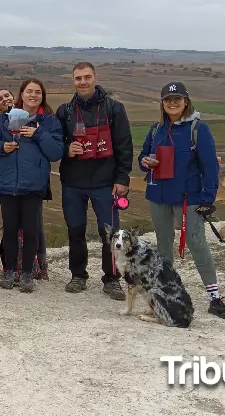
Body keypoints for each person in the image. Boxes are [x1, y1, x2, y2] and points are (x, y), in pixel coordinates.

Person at [139, 81, 225, 320]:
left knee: (196, 243)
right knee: (163, 246)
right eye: (168, 99)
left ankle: (214, 298)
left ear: (186, 102)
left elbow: (210, 166)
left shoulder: (198, 129)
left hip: (189, 199)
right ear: (162, 103)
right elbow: (143, 155)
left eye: (177, 99)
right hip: (158, 195)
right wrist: (144, 162)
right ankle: (167, 295)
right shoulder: (155, 129)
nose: (172, 103)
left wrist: (208, 198)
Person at [56, 62, 133, 300]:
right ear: (73, 81)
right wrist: (67, 149)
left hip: (105, 183)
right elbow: (55, 143)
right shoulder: (65, 111)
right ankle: (78, 275)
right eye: (78, 78)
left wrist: (122, 178)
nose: (82, 82)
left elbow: (124, 145)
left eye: (87, 77)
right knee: (75, 230)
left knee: (109, 233)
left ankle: (111, 279)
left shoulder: (114, 108)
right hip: (73, 182)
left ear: (95, 78)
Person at [0, 78, 63, 293]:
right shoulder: (6, 118)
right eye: (29, 91)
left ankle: (28, 273)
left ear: (42, 96)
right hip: (8, 183)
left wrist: (38, 134)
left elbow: (56, 152)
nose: (33, 95)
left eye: (38, 92)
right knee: (9, 230)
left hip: (33, 185)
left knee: (31, 231)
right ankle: (9, 271)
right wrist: (2, 146)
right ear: (21, 94)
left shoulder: (49, 121)